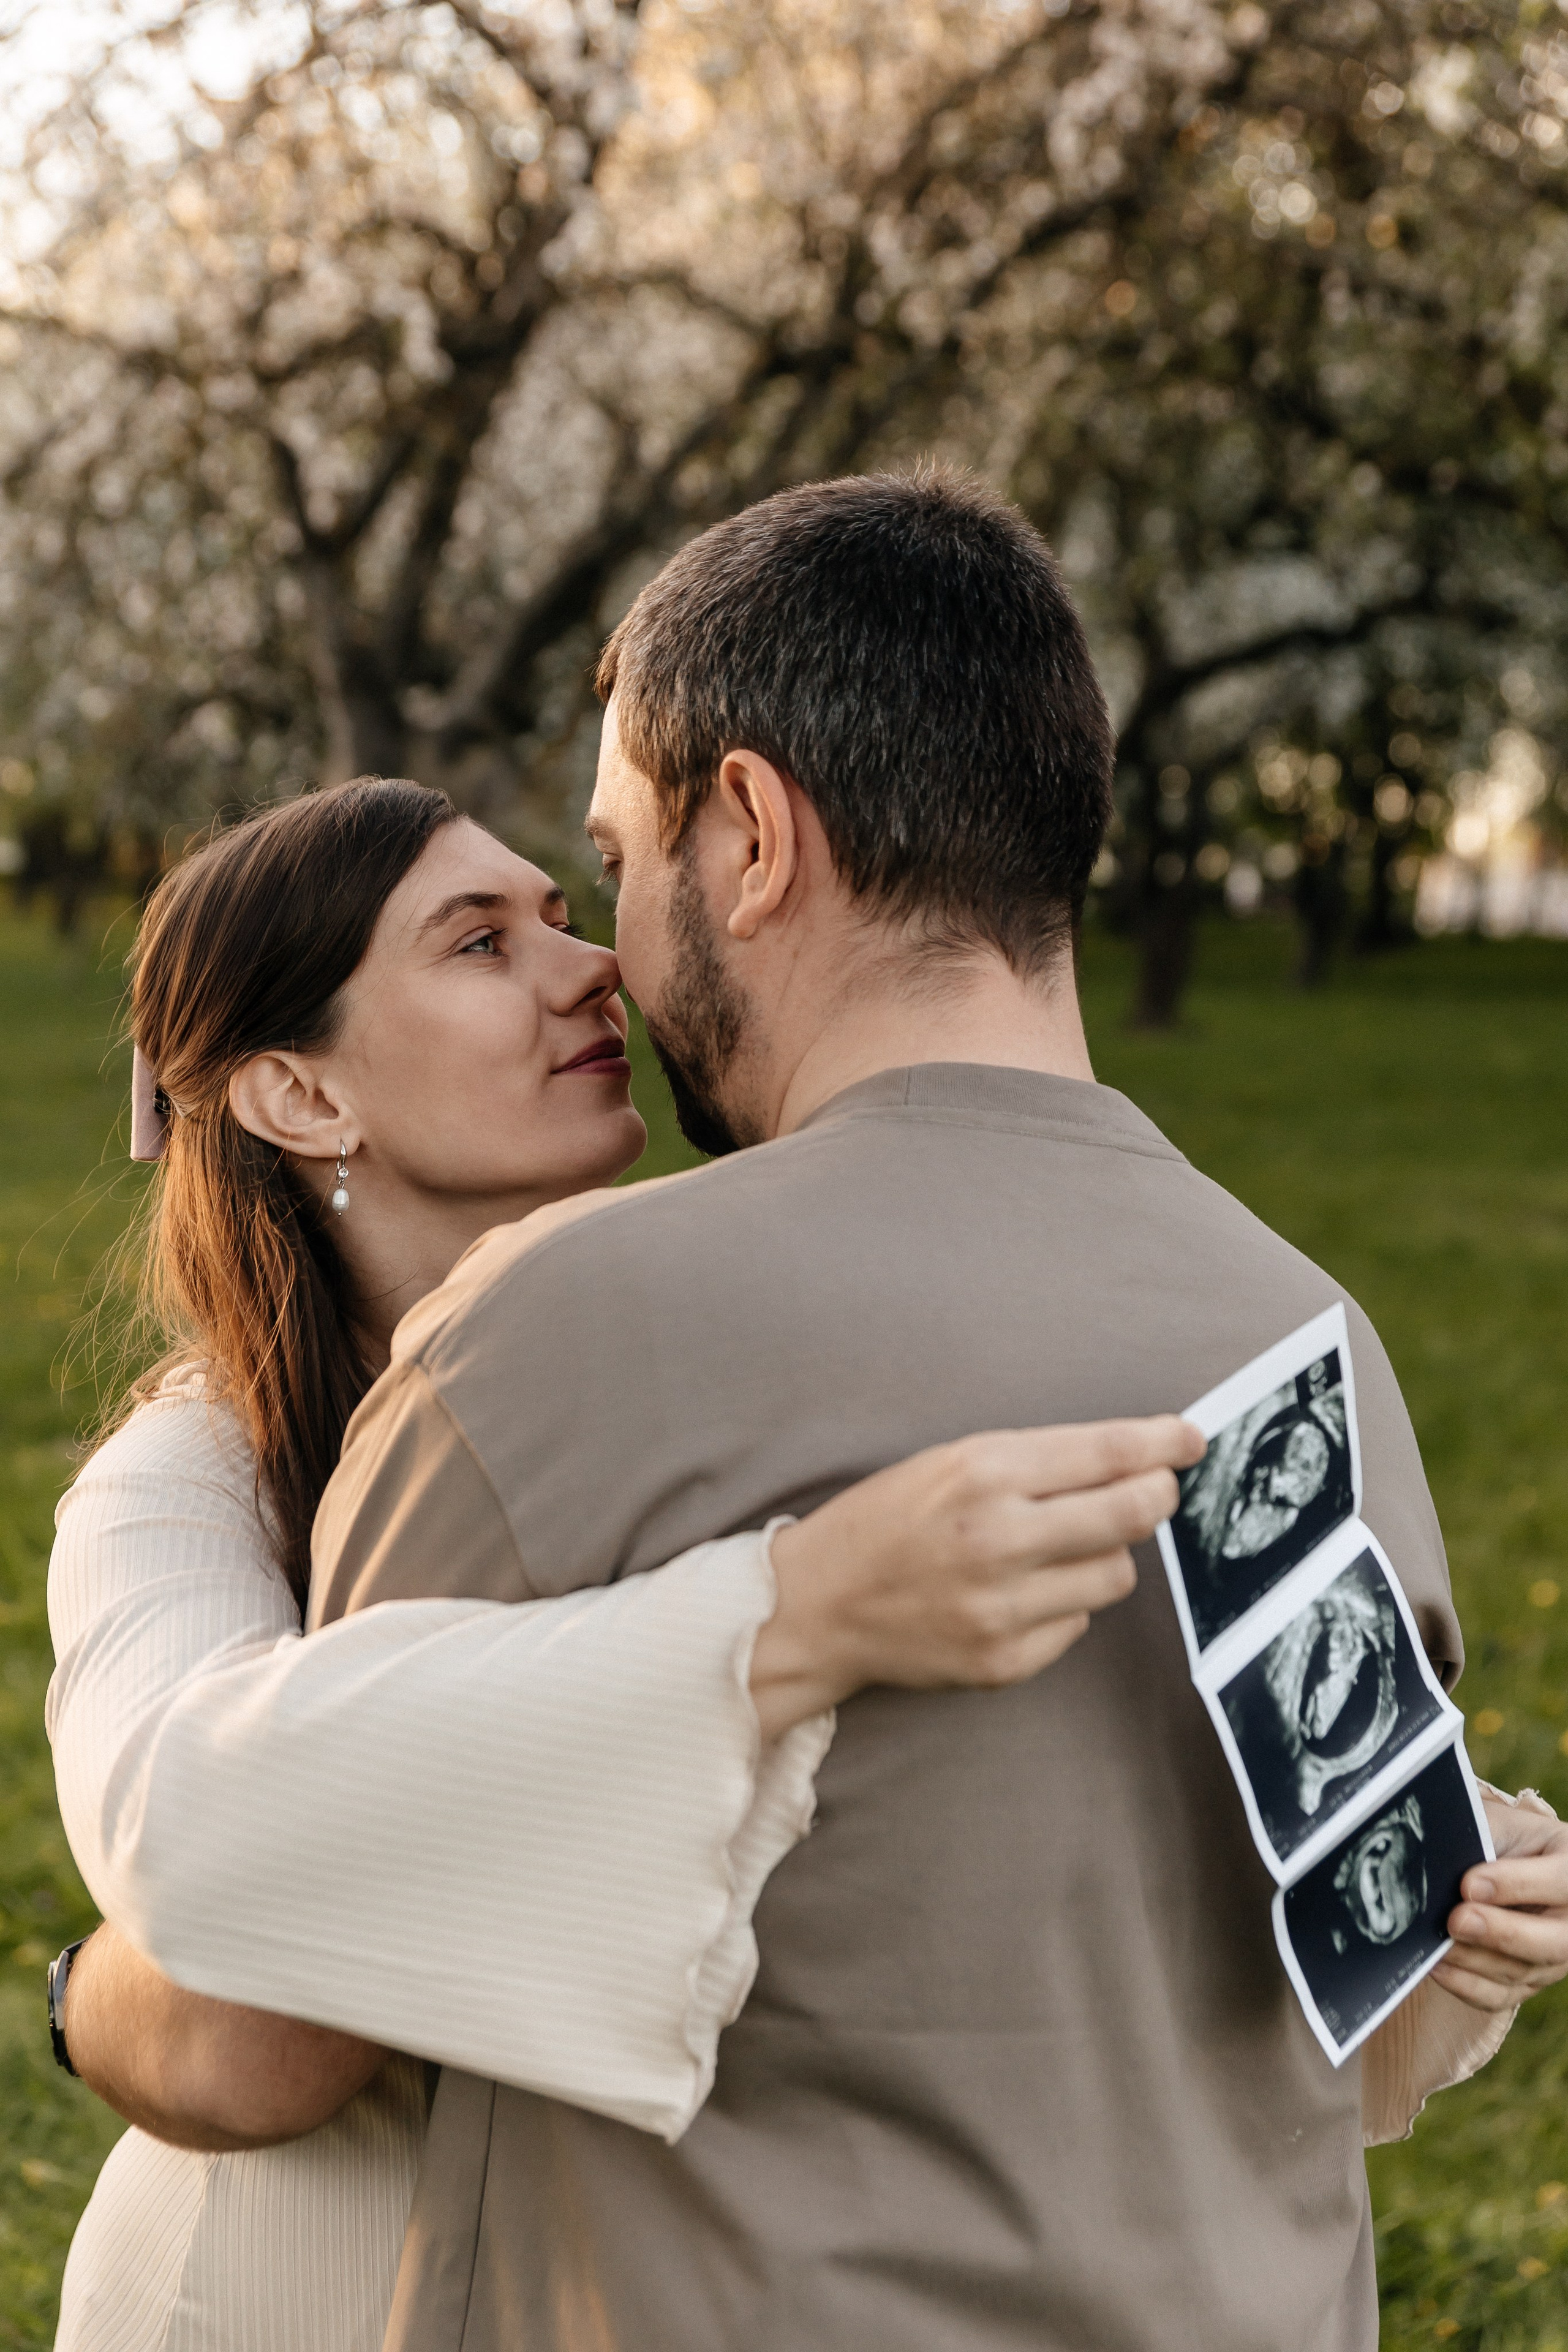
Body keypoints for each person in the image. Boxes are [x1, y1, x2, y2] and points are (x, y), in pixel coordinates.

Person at [306, 467, 1568, 2351]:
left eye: (624, 862)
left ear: (748, 834)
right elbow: (1339, 2017)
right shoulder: (1321, 1347)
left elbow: (305, 1950)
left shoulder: (555, 1336)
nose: (618, 953)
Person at [46, 777, 1201, 2352]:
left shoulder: (726, 1347)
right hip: (280, 2291)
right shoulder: (186, 1479)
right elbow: (228, 1937)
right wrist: (783, 1623)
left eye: (565, 915)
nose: (585, 966)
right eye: (476, 942)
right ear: (302, 1099)